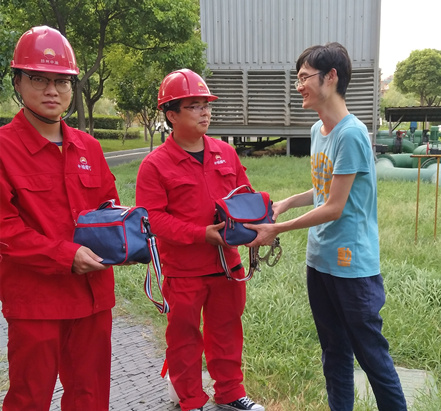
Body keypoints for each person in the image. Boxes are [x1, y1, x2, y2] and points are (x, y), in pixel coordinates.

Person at [246, 43, 408, 411]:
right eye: (298, 78)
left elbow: (334, 207)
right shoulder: (319, 130)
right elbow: (324, 189)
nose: (299, 85)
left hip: (352, 266)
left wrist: (277, 229)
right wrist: (287, 202)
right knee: (334, 352)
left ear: (331, 77)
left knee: (371, 355)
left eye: (304, 77)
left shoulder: (351, 134)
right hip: (320, 260)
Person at [0, 26, 119, 410]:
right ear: (17, 82)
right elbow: (5, 229)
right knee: (29, 399)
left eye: (62, 81)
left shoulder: (89, 148)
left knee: (91, 397)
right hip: (36, 303)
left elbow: (109, 209)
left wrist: (129, 237)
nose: (52, 90)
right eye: (39, 79)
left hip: (93, 299)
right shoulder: (3, 149)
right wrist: (65, 255)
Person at [135, 69, 264, 411]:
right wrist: (200, 234)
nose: (205, 112)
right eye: (194, 106)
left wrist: (257, 226)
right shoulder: (155, 165)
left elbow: (244, 197)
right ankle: (190, 400)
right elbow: (152, 219)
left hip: (226, 266)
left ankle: (230, 393)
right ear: (171, 115)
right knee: (184, 338)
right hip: (184, 270)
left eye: (206, 105)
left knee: (227, 332)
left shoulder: (225, 153)